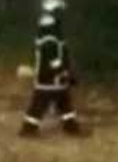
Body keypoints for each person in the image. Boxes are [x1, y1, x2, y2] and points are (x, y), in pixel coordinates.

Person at [19, 8, 85, 137]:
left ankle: (71, 128)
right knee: (39, 107)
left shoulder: (44, 41)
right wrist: (65, 74)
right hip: (49, 81)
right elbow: (54, 61)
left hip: (50, 81)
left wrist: (65, 74)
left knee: (65, 106)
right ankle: (28, 130)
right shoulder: (51, 42)